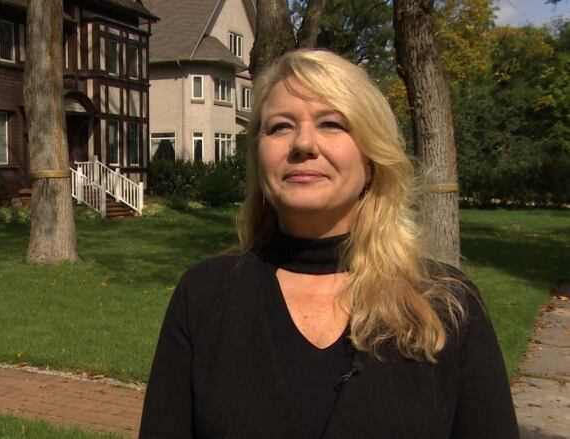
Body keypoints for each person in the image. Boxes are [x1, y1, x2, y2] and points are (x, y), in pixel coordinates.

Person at [138, 49, 519, 439]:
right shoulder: (203, 296)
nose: (303, 143)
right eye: (281, 127)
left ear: (371, 158)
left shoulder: (446, 305)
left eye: (332, 124)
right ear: (258, 154)